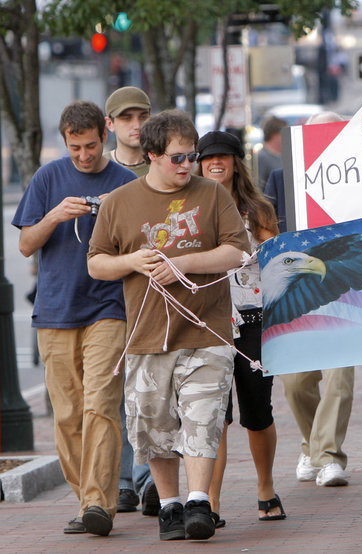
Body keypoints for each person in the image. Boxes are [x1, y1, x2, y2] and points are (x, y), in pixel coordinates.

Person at [87, 109, 250, 541]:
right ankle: (169, 506)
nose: (188, 166)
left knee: (203, 417)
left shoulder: (213, 196)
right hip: (146, 337)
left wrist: (181, 263)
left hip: (206, 330)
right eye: (178, 158)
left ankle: (199, 502)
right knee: (155, 427)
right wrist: (131, 261)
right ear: (153, 155)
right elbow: (96, 263)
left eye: (191, 157)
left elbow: (237, 251)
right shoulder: (120, 202)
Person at [12, 101, 137, 536]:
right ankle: (86, 499)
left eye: (89, 146)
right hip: (55, 311)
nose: (83, 156)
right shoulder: (48, 178)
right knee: (66, 415)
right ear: (63, 141)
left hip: (108, 308)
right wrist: (55, 215)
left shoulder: (124, 183)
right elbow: (26, 244)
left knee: (100, 405)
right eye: (74, 148)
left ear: (104, 136)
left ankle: (98, 504)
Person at [196, 131, 285, 526]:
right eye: (207, 157)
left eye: (223, 156)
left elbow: (277, 260)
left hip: (252, 318)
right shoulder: (189, 210)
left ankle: (265, 487)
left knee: (257, 411)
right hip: (207, 320)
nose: (215, 162)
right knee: (215, 415)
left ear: (236, 161)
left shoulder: (257, 209)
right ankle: (210, 503)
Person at [278, 111, 355, 487]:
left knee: (339, 378)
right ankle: (311, 445)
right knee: (295, 383)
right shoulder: (282, 179)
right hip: (299, 295)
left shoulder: (359, 181)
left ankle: (329, 457)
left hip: (346, 292)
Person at [103, 85, 160, 516]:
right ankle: (126, 480)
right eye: (126, 118)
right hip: (108, 297)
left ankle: (147, 478)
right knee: (119, 392)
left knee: (150, 393)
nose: (135, 126)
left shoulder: (159, 167)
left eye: (141, 116)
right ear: (111, 125)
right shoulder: (104, 174)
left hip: (157, 298)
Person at [257, 114, 287, 191]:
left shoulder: (285, 156)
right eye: (285, 133)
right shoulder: (261, 158)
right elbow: (258, 188)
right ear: (275, 135)